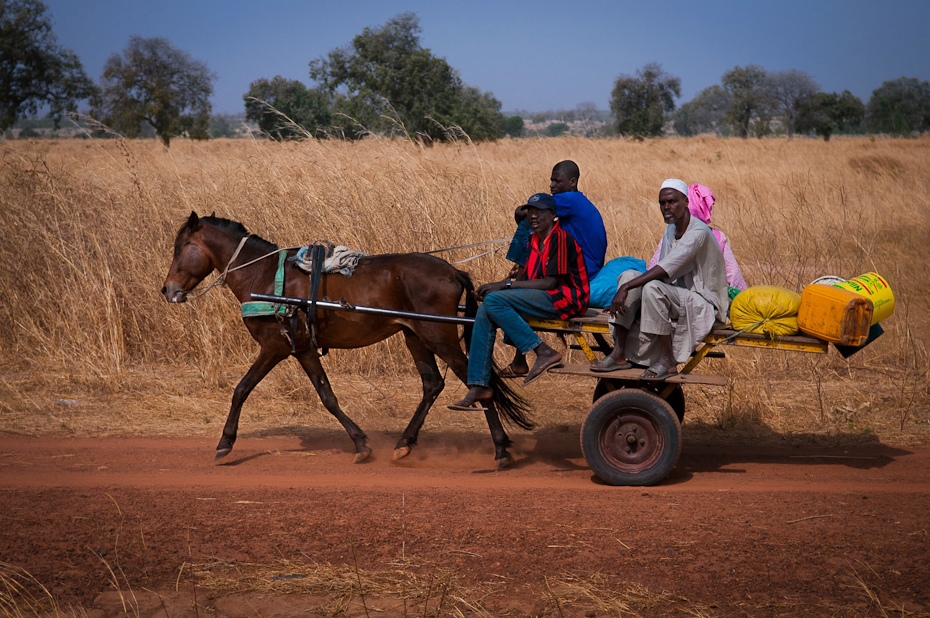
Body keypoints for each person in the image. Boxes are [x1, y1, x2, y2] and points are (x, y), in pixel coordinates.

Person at [448, 193, 590, 410]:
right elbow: (526, 278)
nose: (533, 216)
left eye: (540, 211)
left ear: (553, 215)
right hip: (547, 296)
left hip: (566, 298)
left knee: (494, 300)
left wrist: (502, 287)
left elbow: (550, 283)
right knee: (486, 308)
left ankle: (543, 352)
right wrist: (497, 287)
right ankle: (479, 384)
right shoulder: (534, 239)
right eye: (531, 211)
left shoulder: (560, 238)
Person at [589, 179, 729, 380]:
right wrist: (628, 286)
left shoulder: (698, 232)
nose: (666, 207)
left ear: (685, 201)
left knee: (650, 286)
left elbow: (664, 269)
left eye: (672, 202)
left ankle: (667, 360)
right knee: (629, 274)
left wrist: (626, 289)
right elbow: (664, 273)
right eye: (662, 203)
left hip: (702, 300)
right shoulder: (671, 228)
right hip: (677, 294)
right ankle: (618, 353)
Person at [501, 160, 607, 377]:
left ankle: (520, 264)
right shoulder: (576, 202)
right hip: (582, 265)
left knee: (528, 227)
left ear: (573, 181)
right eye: (551, 180)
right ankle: (519, 359)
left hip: (581, 271)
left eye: (557, 181)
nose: (552, 185)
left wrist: (524, 262)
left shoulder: (569, 199)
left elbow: (525, 214)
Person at [647, 183, 747, 291]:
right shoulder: (717, 236)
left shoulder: (673, 232)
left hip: (678, 294)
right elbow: (733, 274)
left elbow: (656, 265)